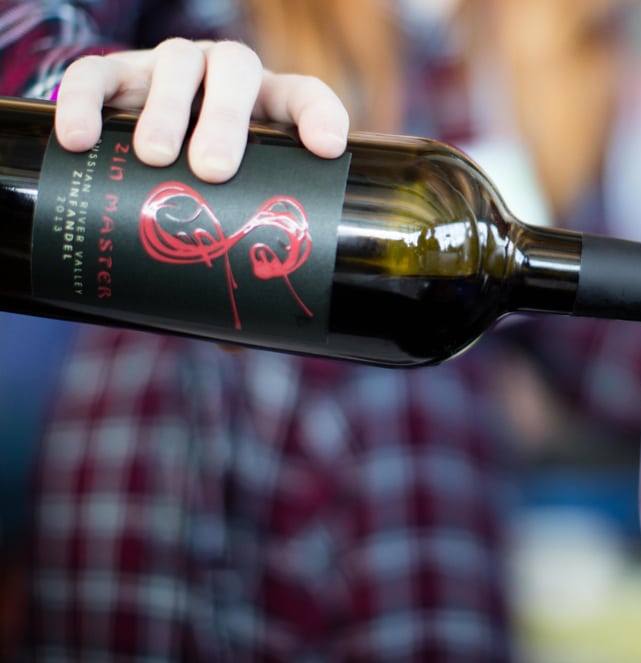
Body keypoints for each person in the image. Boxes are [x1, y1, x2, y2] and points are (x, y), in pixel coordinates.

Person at [0, 1, 511, 660]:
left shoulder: (534, 55)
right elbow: (38, 22)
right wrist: (68, 96)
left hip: (408, 539)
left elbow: (607, 353)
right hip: (170, 481)